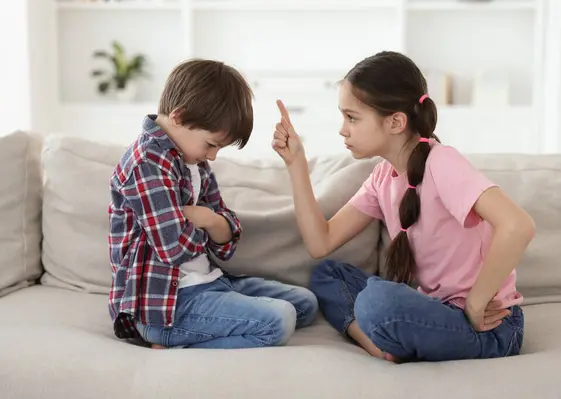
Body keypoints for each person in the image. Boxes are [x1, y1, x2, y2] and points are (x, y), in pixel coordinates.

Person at [271, 51, 535, 362]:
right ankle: (377, 344)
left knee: (378, 302)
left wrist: (477, 304)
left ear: (396, 121)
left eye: (352, 117)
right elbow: (320, 242)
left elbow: (518, 226)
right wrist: (296, 163)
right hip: (433, 312)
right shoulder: (383, 176)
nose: (343, 129)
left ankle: (385, 333)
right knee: (328, 274)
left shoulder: (442, 161)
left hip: (488, 330)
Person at [108, 59, 318, 349]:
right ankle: (171, 341)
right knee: (280, 320)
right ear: (179, 117)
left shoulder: (193, 159)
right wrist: (212, 225)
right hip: (167, 306)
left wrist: (206, 219)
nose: (214, 156)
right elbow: (174, 248)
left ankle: (217, 319)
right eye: (212, 145)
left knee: (305, 304)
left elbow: (226, 240)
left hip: (208, 281)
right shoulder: (147, 164)